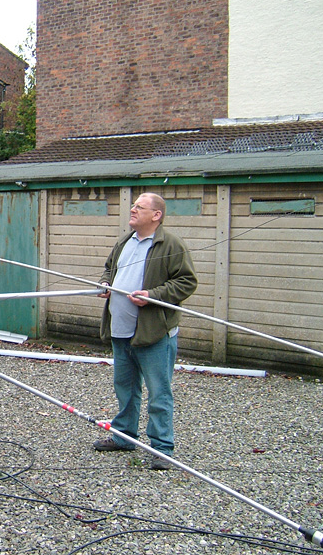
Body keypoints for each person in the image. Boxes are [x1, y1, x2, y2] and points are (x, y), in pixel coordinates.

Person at [93, 192, 198, 470]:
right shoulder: (124, 241)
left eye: (139, 207)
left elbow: (186, 282)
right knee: (125, 388)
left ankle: (162, 448)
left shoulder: (171, 244)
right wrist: (105, 284)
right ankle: (124, 436)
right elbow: (109, 269)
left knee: (158, 392)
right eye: (133, 206)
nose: (133, 210)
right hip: (121, 330)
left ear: (156, 215)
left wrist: (153, 295)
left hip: (154, 334)